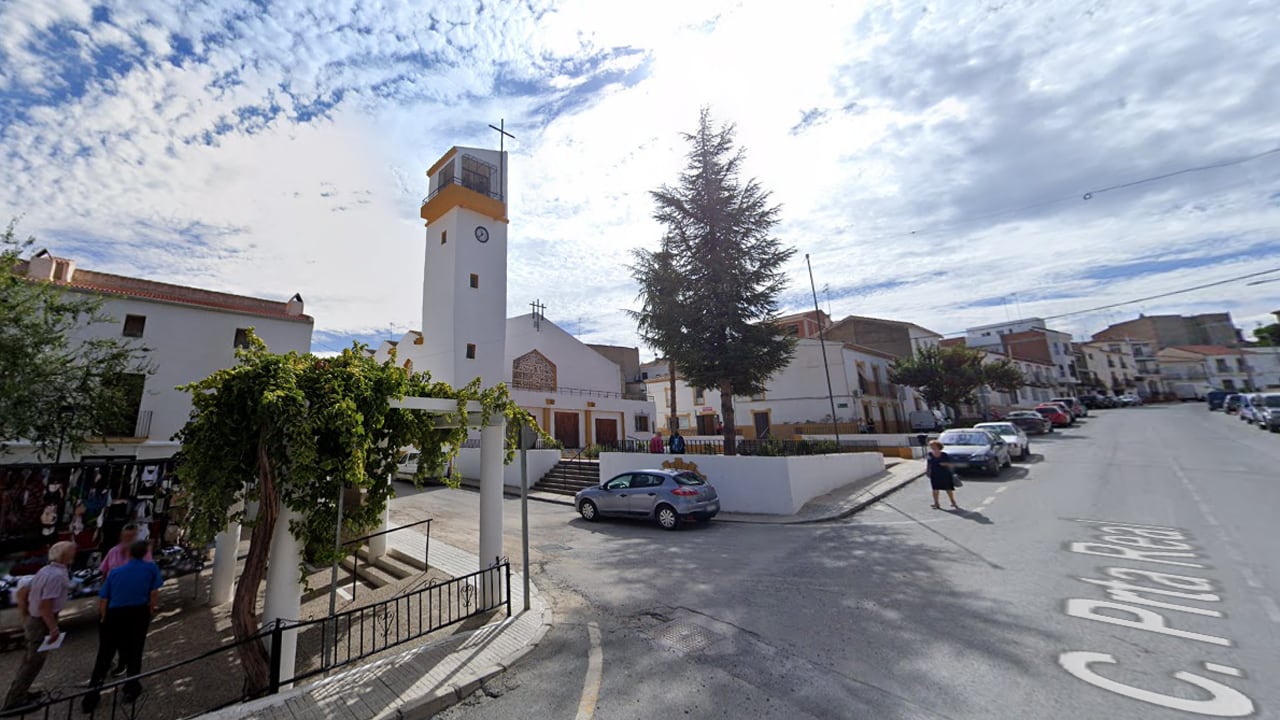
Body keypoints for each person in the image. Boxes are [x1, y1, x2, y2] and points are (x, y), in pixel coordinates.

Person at [83, 541, 163, 711]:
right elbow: (154, 592)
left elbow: (104, 598)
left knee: (104, 655)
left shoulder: (115, 572)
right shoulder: (150, 568)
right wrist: (151, 610)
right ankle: (131, 688)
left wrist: (104, 618)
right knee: (135, 651)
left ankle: (91, 697)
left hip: (114, 613)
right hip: (137, 613)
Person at [4, 541, 75, 710]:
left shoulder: (47, 570)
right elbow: (45, 606)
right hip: (40, 621)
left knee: (32, 660)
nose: (74, 553)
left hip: (35, 618)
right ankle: (14, 701)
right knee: (33, 662)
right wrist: (53, 628)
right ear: (63, 556)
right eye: (72, 551)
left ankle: (20, 692)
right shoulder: (55, 576)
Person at [926, 440, 960, 510]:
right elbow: (928, 463)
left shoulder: (944, 455)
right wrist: (927, 471)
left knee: (948, 489)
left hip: (945, 473)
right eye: (931, 446)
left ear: (938, 446)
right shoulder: (929, 454)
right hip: (934, 474)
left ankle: (953, 502)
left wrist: (943, 464)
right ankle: (936, 503)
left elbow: (950, 464)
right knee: (935, 489)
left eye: (933, 446)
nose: (932, 447)